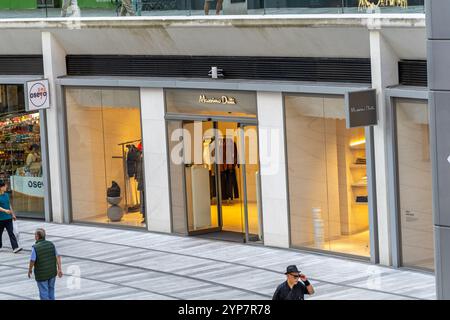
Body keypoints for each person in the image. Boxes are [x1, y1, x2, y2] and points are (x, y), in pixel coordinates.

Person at [28, 228, 63, 300]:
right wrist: (59, 269)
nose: (34, 236)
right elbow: (57, 256)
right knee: (51, 290)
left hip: (42, 275)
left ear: (37, 236)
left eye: (35, 235)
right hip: (52, 272)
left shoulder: (35, 247)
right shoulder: (51, 244)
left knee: (44, 293)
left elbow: (32, 260)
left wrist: (30, 270)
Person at [0, 180, 22, 254]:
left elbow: (9, 205)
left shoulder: (6, 195)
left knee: (11, 232)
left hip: (8, 218)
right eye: (4, 186)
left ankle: (15, 247)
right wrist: (5, 211)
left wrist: (13, 214)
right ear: (1, 187)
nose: (6, 187)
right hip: (1, 218)